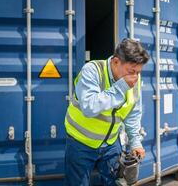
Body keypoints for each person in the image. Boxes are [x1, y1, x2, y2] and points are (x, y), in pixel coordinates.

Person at [64, 38, 150, 185]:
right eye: (131, 71)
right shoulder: (92, 71)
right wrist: (121, 87)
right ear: (116, 62)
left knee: (115, 183)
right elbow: (89, 107)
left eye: (138, 72)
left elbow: (133, 113)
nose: (135, 77)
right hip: (80, 143)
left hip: (111, 143)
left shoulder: (134, 78)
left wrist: (136, 143)